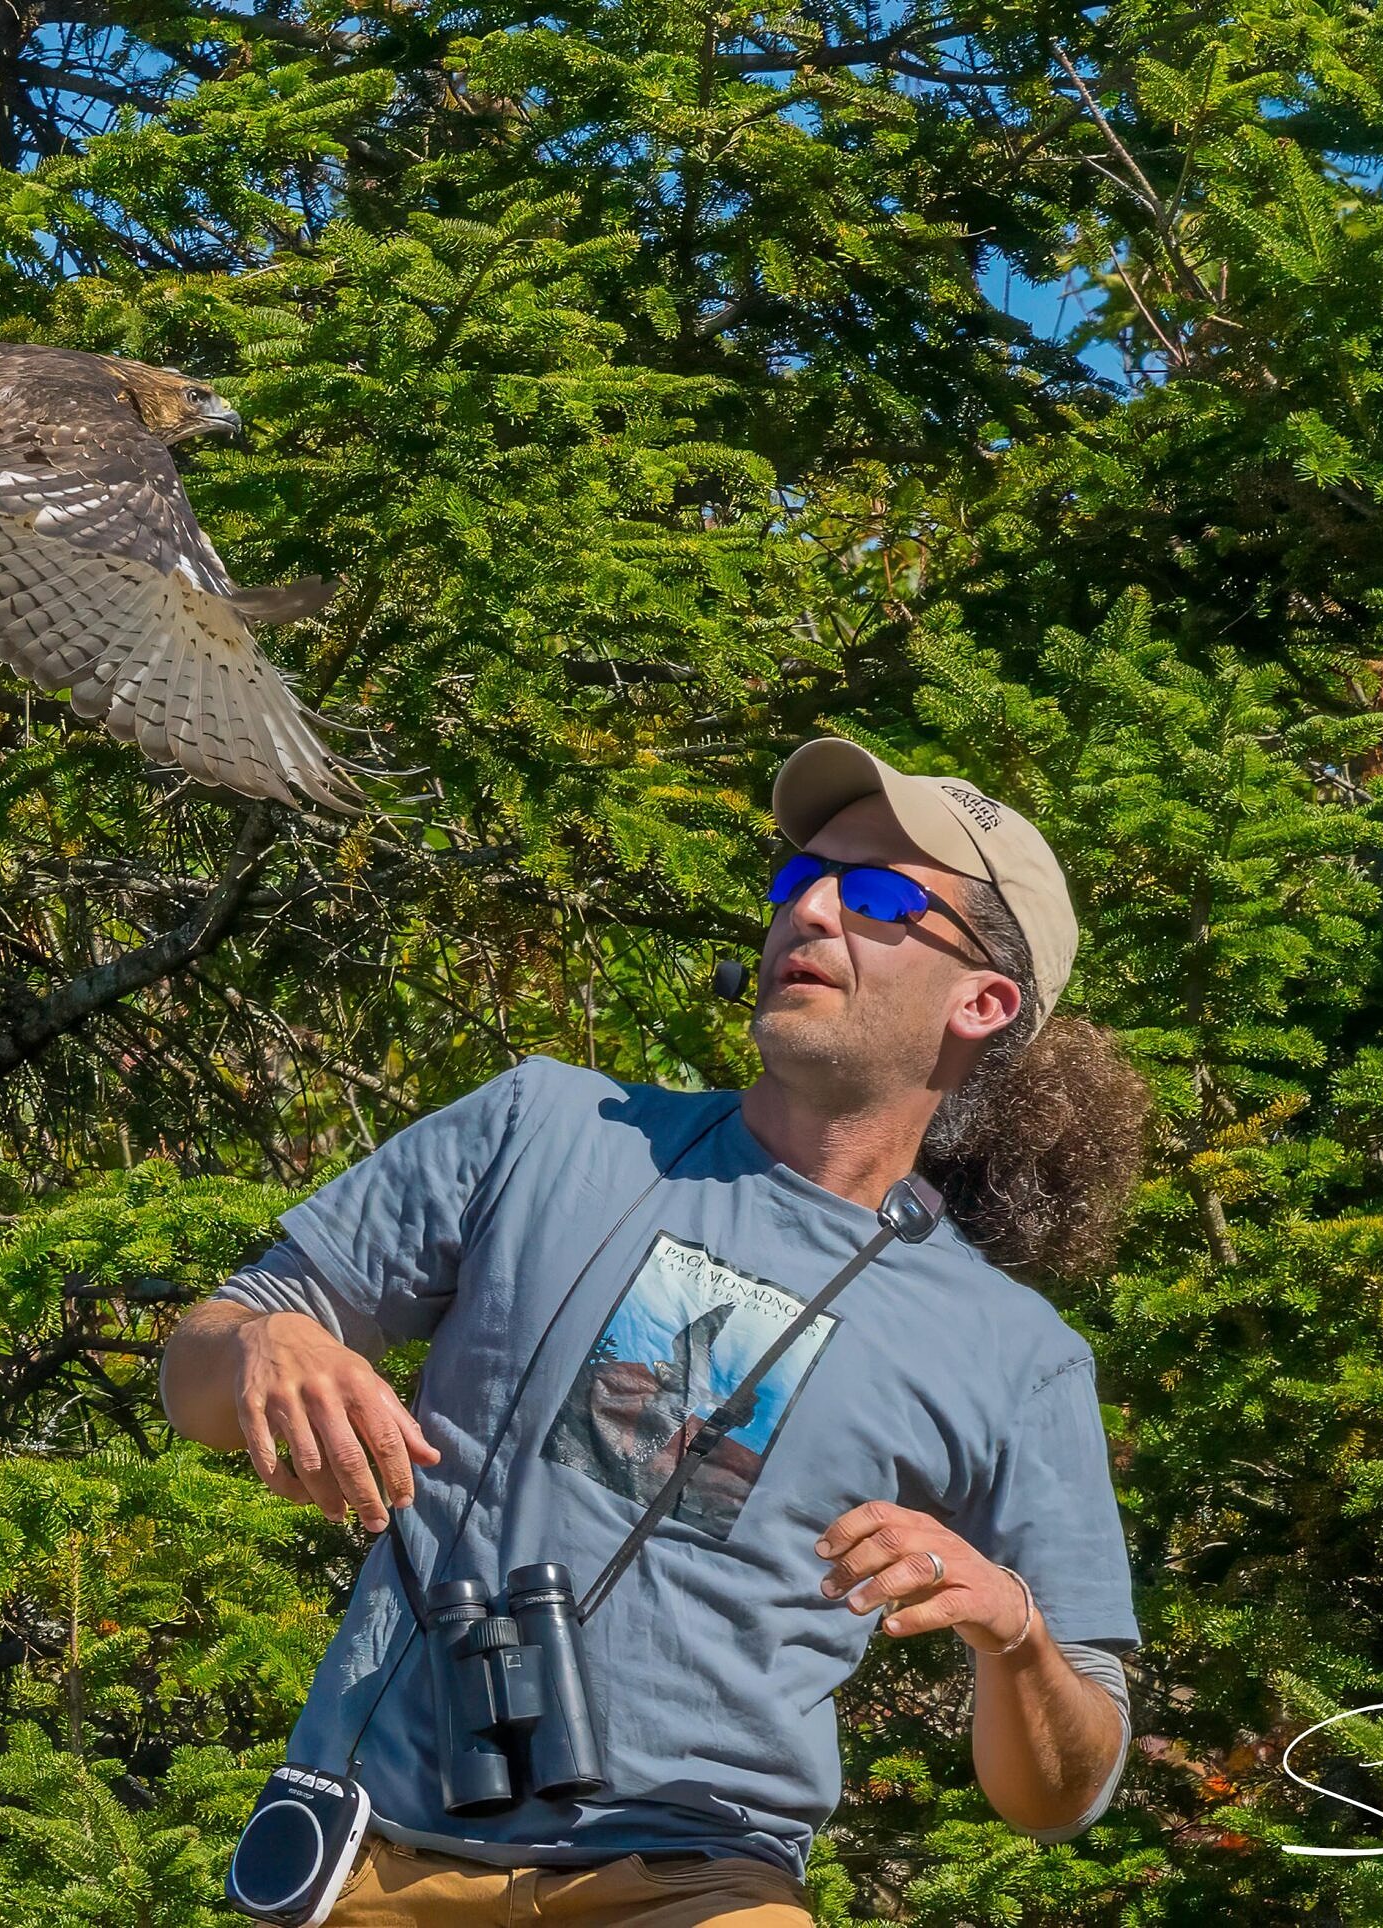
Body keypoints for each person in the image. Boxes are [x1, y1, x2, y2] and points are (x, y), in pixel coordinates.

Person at [161, 736, 1153, 1926]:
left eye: (882, 896)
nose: (813, 909)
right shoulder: (545, 1126)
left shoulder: (1015, 1349)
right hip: (378, 1856)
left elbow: (1063, 1792)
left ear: (981, 1001)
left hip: (699, 1880)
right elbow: (199, 1373)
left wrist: (1017, 1630)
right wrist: (265, 1344)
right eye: (800, 881)